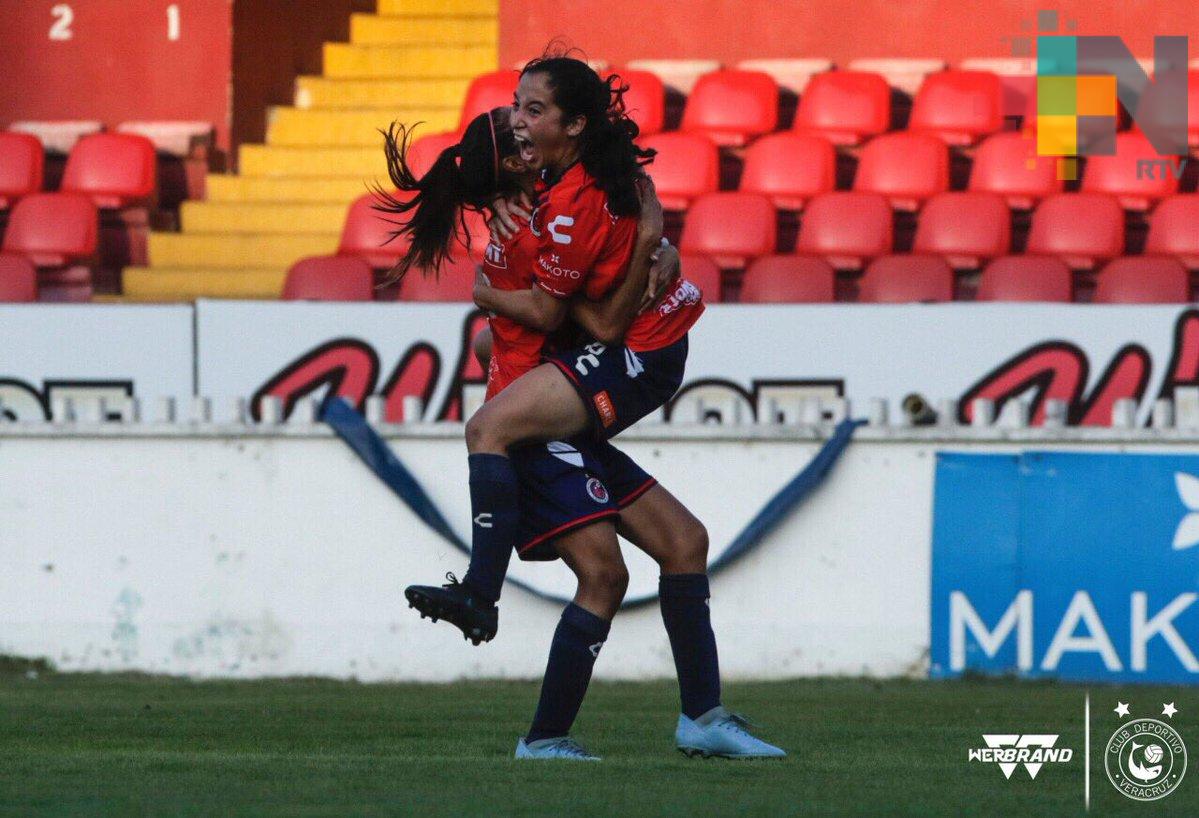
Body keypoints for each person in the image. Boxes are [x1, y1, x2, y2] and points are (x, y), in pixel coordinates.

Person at [375, 88, 783, 760]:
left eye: (531, 115)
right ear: (510, 165)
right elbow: (575, 318)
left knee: (684, 542)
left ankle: (699, 719)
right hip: (539, 436)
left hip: (560, 421)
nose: (527, 129)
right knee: (603, 575)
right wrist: (648, 246)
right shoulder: (536, 223)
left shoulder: (538, 210)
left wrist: (656, 253)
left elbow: (505, 335)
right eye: (517, 130)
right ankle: (538, 721)